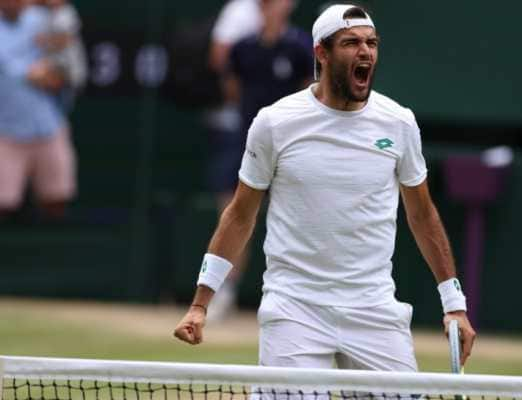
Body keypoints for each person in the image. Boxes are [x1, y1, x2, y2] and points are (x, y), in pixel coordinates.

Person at [174, 3, 476, 372]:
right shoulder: (274, 123)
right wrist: (201, 303)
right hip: (293, 309)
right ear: (322, 53)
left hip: (374, 309)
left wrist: (454, 305)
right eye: (351, 43)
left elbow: (422, 214)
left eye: (372, 42)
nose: (365, 51)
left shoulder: (399, 123)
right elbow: (240, 214)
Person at [205, 0, 312, 321]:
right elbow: (233, 90)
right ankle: (223, 293)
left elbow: (309, 93)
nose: (270, 7)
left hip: (290, 150)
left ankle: (299, 301)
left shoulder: (299, 48)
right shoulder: (242, 49)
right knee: (233, 216)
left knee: (297, 223)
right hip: (245, 145)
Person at [0, 0, 76, 221]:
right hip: (5, 131)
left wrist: (54, 74)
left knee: (56, 200)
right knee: (3, 204)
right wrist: (28, 73)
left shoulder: (44, 21)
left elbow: (63, 71)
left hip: (48, 127)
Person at [34, 0, 87, 111]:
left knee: (57, 116)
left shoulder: (66, 12)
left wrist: (44, 41)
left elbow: (65, 40)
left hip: (67, 76)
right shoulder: (42, 13)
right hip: (49, 76)